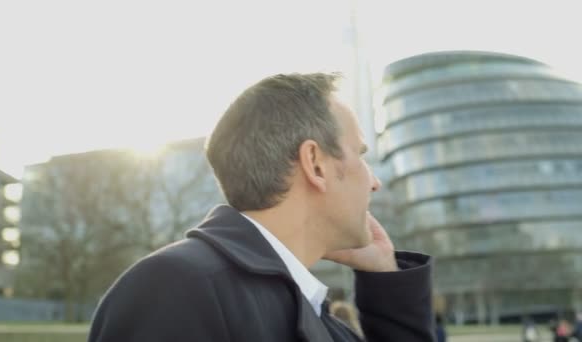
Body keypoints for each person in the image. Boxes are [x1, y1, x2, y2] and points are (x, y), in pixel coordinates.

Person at [88, 73, 434, 341]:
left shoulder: (317, 318)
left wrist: (386, 279)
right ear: (315, 164)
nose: (374, 182)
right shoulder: (177, 287)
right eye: (360, 156)